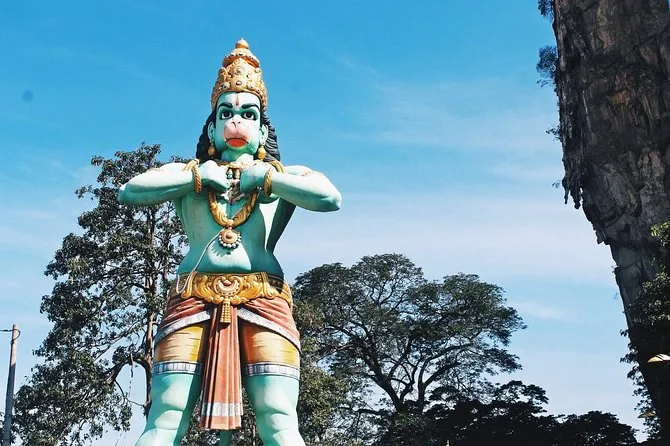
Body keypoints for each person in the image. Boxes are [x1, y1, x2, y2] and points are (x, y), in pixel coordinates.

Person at [118, 39, 341, 446]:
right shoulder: (188, 175)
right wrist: (197, 177)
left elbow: (330, 198)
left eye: (248, 114)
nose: (236, 121)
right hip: (192, 298)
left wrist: (268, 178)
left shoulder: (283, 178)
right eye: (227, 113)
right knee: (166, 418)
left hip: (264, 298)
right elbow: (130, 191)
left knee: (278, 419)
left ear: (263, 130)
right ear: (211, 128)